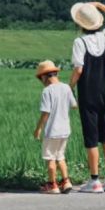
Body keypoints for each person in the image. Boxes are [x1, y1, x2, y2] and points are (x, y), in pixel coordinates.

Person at [68, 0, 105, 193]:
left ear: (80, 24)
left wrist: (69, 87)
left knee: (91, 138)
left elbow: (79, 70)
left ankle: (94, 180)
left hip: (88, 94)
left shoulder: (79, 42)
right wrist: (99, 5)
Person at [33, 59, 78, 194]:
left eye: (41, 78)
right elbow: (74, 106)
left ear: (44, 76)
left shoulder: (47, 91)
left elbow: (45, 113)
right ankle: (66, 181)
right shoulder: (66, 87)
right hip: (65, 131)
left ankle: (52, 185)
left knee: (50, 158)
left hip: (52, 131)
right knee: (61, 157)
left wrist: (38, 129)